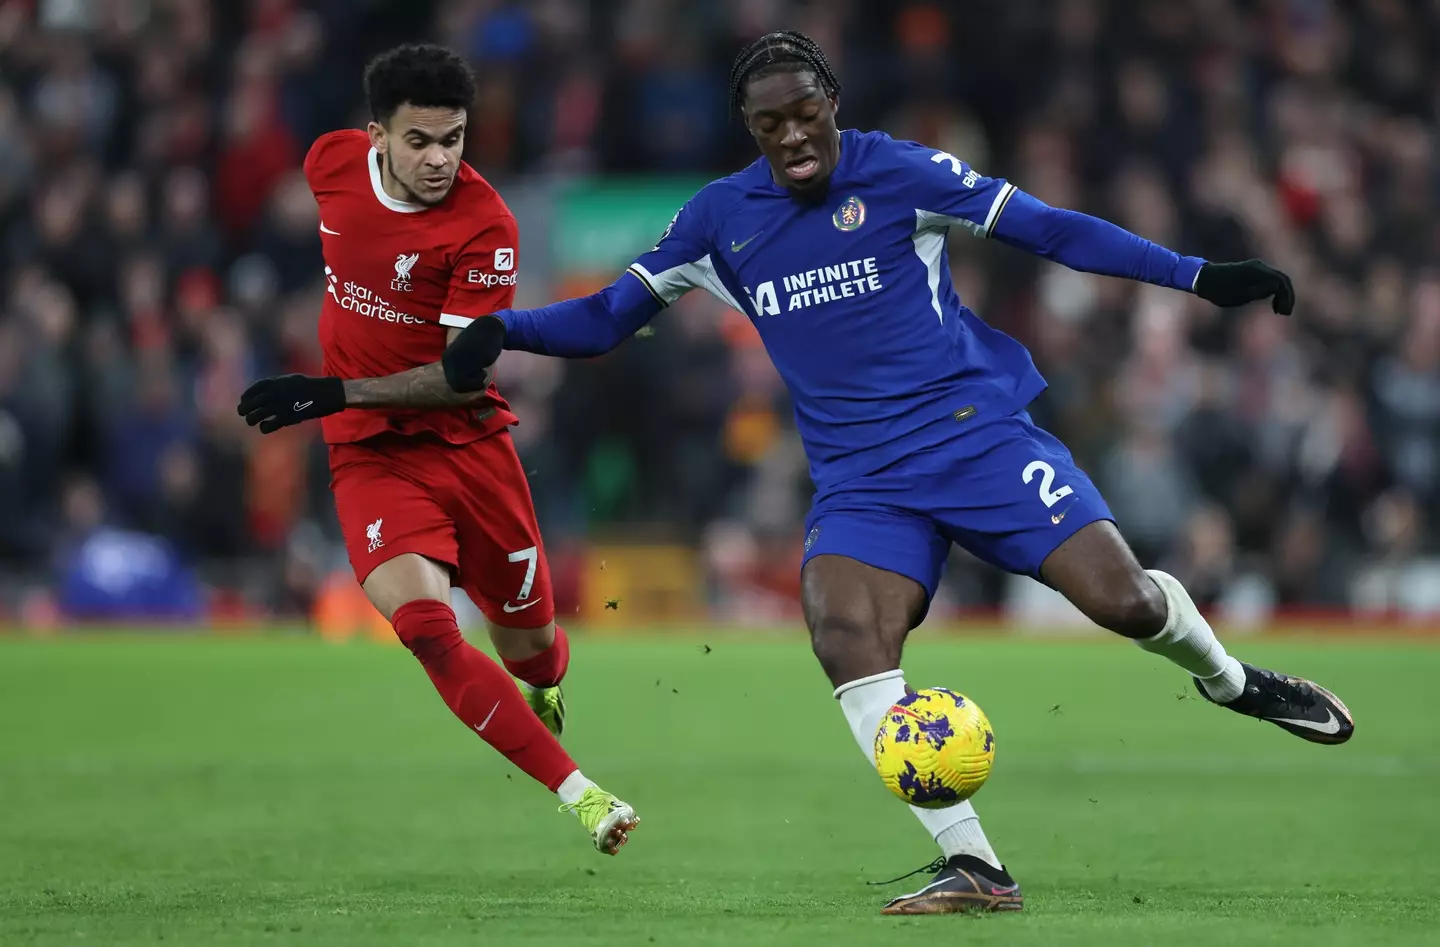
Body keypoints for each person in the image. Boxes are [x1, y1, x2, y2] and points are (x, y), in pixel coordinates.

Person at [440, 31, 1355, 913]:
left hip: (977, 439)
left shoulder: (901, 171)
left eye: (807, 113)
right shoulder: (719, 219)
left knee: (1128, 604)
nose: (794, 135)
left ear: (832, 104)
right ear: (749, 130)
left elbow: (1048, 230)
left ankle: (1234, 682)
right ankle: (975, 863)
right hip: (863, 481)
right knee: (843, 632)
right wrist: (504, 328)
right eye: (771, 124)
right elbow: (607, 317)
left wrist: (1197, 276)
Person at [235, 44, 637, 856]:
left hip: (468, 445)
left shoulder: (485, 225)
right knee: (425, 625)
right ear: (375, 134)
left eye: (453, 139)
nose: (439, 159)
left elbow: (460, 378)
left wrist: (330, 389)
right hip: (371, 457)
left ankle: (541, 684)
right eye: (419, 141)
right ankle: (583, 793)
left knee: (536, 651)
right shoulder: (330, 163)